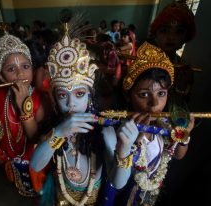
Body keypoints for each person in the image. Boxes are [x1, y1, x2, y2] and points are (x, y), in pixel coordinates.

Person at [30, 24, 138, 205]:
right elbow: (35, 166)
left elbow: (118, 183)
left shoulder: (104, 131)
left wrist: (125, 149)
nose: (71, 103)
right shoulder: (54, 129)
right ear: (55, 99)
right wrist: (59, 133)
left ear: (90, 97)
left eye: (79, 94)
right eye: (62, 95)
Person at [114, 41, 195, 205]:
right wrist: (136, 140)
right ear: (128, 95)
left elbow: (178, 155)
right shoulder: (120, 129)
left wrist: (184, 135)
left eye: (161, 93)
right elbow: (118, 178)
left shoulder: (165, 124)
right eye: (144, 95)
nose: (154, 103)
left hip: (152, 194)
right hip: (124, 195)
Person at [0, 34, 45, 197]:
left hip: (34, 157)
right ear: (1, 76)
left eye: (26, 66)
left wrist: (24, 109)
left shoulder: (41, 98)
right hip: (9, 156)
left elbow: (35, 137)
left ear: (33, 70)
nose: (20, 74)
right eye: (11, 69)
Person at [149, 1, 196, 102]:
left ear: (186, 37)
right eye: (164, 30)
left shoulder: (184, 69)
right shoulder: (142, 61)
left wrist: (181, 88)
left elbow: (183, 104)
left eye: (179, 31)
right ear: (155, 34)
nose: (171, 37)